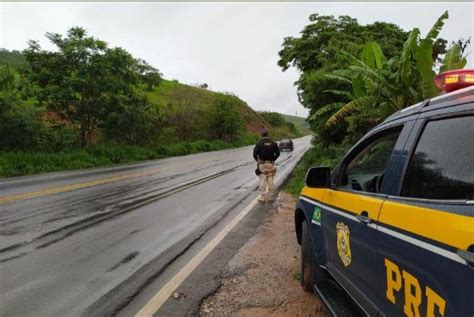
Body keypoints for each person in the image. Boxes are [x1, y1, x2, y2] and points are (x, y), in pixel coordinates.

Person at [253, 129, 280, 203]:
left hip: (262, 164)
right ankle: (271, 196)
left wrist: (258, 160)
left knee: (263, 179)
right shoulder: (273, 143)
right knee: (270, 178)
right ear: (268, 135)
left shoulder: (259, 143)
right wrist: (273, 160)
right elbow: (278, 153)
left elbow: (254, 154)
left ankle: (262, 197)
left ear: (262, 135)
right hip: (270, 164)